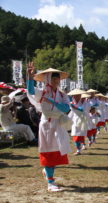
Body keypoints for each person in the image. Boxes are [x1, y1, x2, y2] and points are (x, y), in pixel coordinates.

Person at [26, 63, 72, 192]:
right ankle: (50, 182)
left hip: (58, 124)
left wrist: (51, 101)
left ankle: (48, 173)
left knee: (57, 151)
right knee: (48, 152)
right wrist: (30, 77)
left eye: (57, 79)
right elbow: (30, 91)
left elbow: (66, 108)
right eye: (53, 79)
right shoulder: (42, 92)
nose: (56, 81)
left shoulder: (62, 95)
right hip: (47, 124)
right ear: (47, 79)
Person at [68, 89, 89, 155]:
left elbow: (84, 110)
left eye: (78, 95)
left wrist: (76, 107)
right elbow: (71, 112)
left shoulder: (84, 102)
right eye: (75, 96)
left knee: (81, 135)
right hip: (75, 121)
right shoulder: (72, 103)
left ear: (80, 96)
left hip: (82, 120)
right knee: (75, 135)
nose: (76, 97)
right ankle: (78, 150)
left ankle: (82, 146)